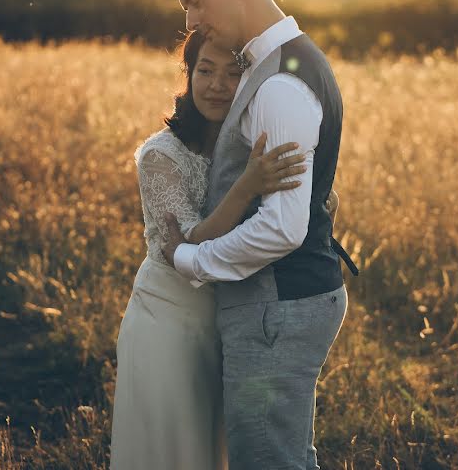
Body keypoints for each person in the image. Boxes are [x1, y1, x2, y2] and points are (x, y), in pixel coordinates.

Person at [161, 0, 359, 470]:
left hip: (278, 305)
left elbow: (282, 228)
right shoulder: (282, 63)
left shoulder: (280, 82)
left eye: (196, 1)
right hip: (284, 303)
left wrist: (193, 260)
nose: (192, 22)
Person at [109, 30, 317, 470]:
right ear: (189, 75)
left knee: (216, 452)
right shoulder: (159, 156)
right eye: (205, 71)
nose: (217, 85)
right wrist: (246, 188)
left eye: (232, 73)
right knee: (173, 450)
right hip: (167, 322)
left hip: (228, 323)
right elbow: (186, 249)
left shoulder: (246, 149)